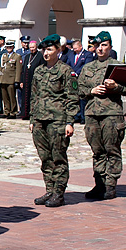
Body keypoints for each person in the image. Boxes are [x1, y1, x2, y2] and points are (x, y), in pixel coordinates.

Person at [79, 31, 126, 200]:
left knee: (112, 149)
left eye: (104, 45)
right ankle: (99, 183)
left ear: (110, 47)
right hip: (92, 114)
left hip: (112, 114)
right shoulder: (88, 67)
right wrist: (91, 91)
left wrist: (115, 86)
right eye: (97, 46)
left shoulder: (118, 66)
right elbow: (79, 90)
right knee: (97, 151)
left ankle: (111, 185)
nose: (100, 49)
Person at [29, 34, 78, 208]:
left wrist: (70, 122)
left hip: (58, 120)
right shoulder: (39, 70)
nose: (46, 53)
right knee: (45, 157)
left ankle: (59, 192)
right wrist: (32, 119)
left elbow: (72, 97)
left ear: (59, 50)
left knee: (58, 157)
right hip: (40, 120)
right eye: (44, 49)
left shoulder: (65, 71)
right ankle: (49, 189)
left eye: (49, 49)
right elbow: (34, 95)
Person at [19, 39, 43, 120]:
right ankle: (25, 114)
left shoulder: (40, 56)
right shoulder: (27, 56)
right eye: (30, 48)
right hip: (26, 80)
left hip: (35, 81)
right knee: (25, 97)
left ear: (36, 47)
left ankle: (32, 114)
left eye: (33, 47)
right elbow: (23, 70)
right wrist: (21, 81)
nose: (31, 49)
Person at [0, 40, 22, 118]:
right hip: (3, 78)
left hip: (11, 79)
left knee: (12, 96)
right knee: (5, 97)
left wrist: (17, 80)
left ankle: (13, 112)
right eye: (7, 47)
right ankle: (6, 111)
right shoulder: (4, 56)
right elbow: (1, 68)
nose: (9, 48)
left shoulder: (17, 56)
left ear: (13, 47)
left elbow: (18, 69)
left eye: (10, 47)